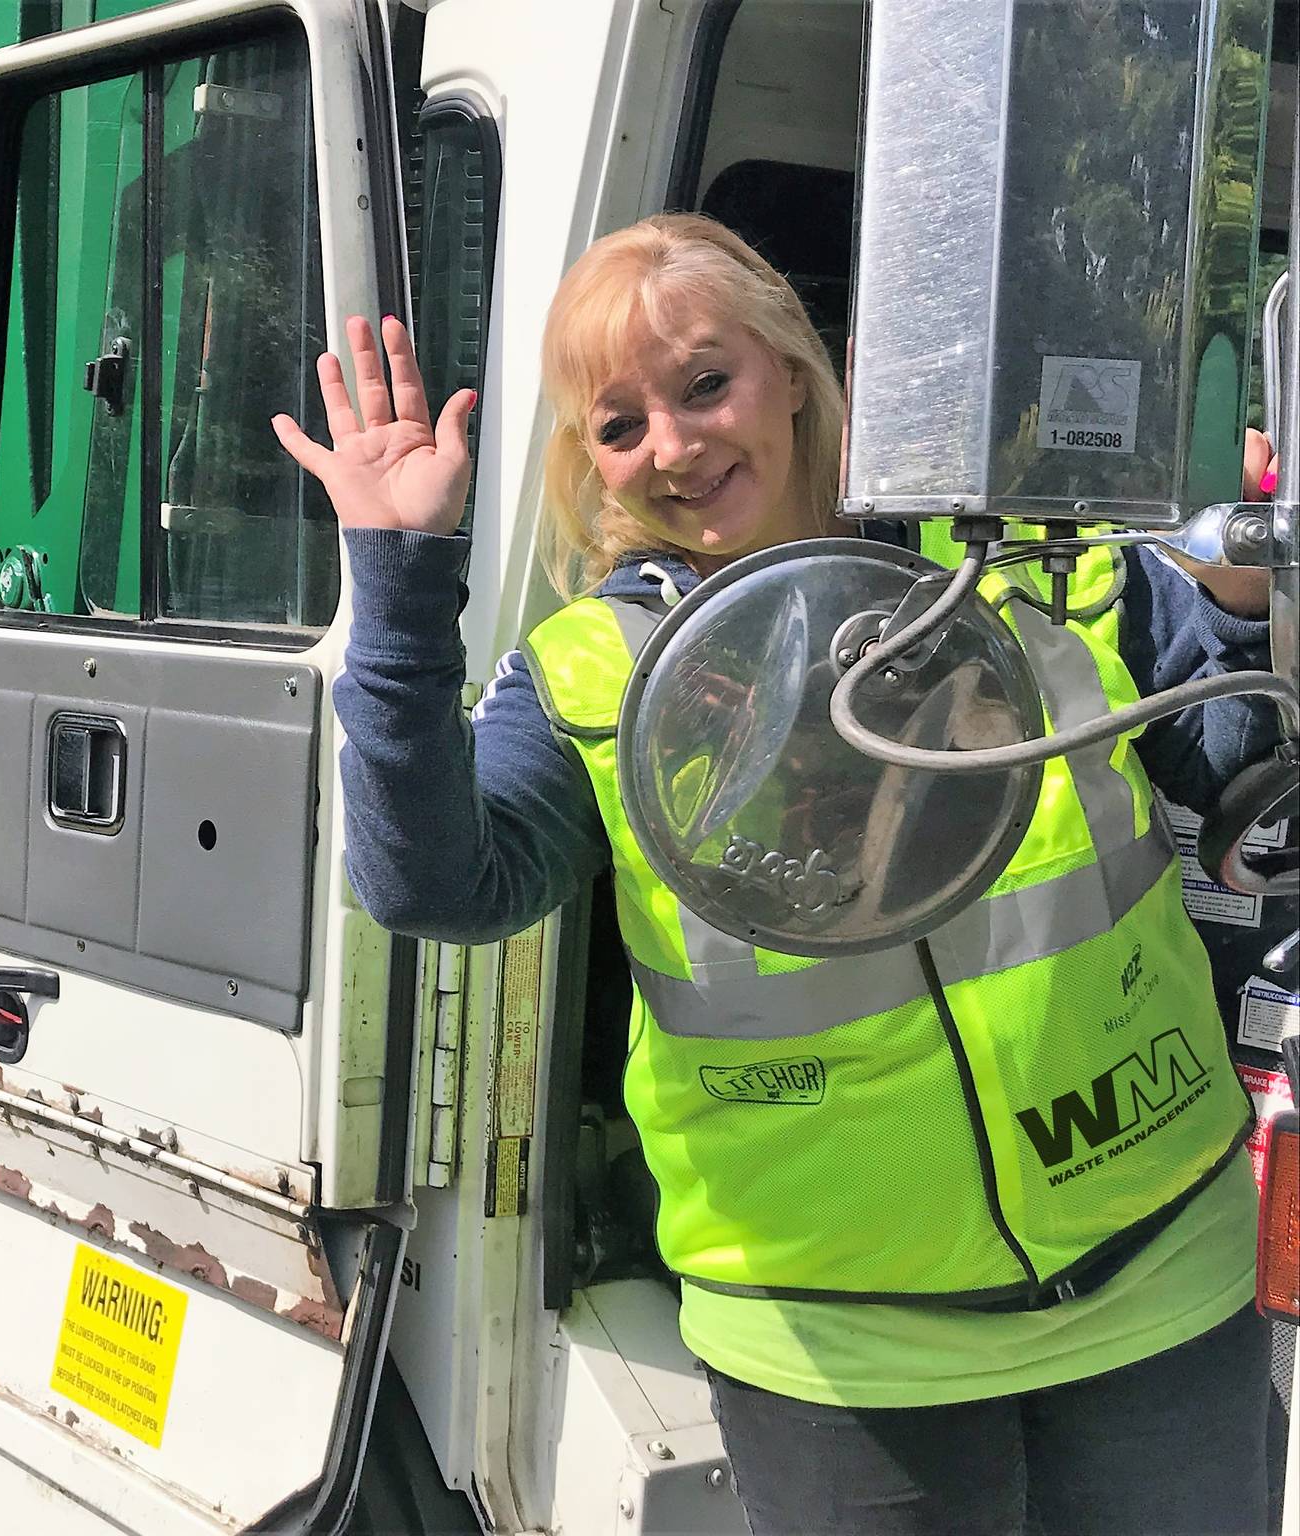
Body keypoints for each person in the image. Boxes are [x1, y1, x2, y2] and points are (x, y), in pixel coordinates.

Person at [271, 213, 1282, 1535]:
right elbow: (435, 885)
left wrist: (1243, 596)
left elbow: (1228, 759)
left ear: (793, 370)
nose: (675, 447)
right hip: (842, 1351)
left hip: (1160, 1277)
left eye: (705, 384)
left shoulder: (1025, 559)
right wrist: (400, 584)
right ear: (593, 464)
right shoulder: (594, 674)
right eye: (619, 424)